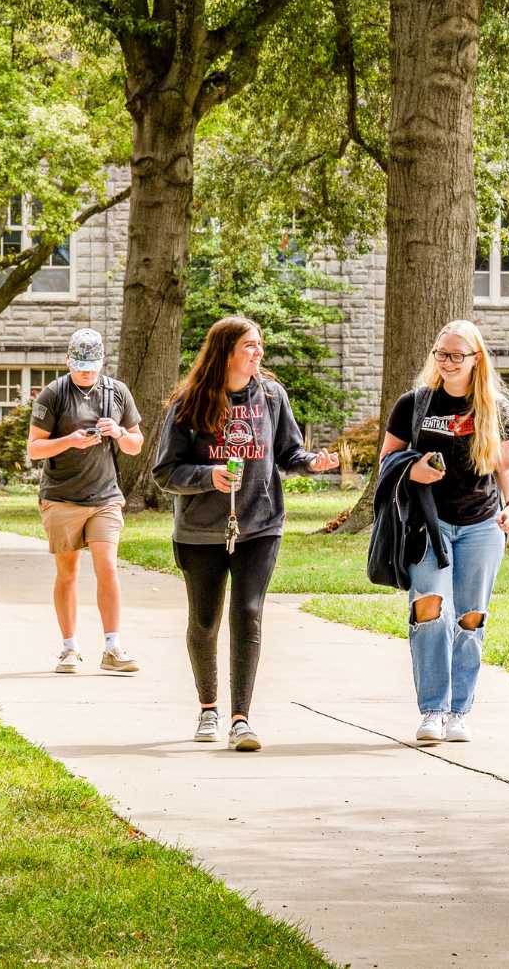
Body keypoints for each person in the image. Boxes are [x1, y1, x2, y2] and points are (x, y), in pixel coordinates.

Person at [154, 317, 339, 752]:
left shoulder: (272, 396)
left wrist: (312, 462)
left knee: (249, 613)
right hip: (201, 530)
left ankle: (241, 719)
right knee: (204, 621)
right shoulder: (189, 401)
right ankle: (208, 708)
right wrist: (209, 476)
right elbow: (166, 472)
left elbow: (288, 453)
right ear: (225, 352)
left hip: (260, 524)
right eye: (249, 346)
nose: (258, 353)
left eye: (260, 345)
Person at [379, 319, 509, 746]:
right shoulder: (414, 404)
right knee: (428, 609)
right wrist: (414, 469)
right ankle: (433, 709)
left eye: (456, 356)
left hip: (480, 524)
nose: (446, 363)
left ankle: (460, 711)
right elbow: (388, 458)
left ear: (476, 359)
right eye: (441, 354)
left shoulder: (498, 409)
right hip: (427, 524)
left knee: (470, 617)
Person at [27, 329, 143, 674]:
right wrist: (70, 441)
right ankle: (69, 648)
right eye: (80, 368)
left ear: (102, 362)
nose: (86, 373)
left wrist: (119, 433)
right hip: (62, 496)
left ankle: (112, 647)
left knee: (107, 565)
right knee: (69, 571)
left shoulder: (117, 391)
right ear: (68, 362)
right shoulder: (54, 394)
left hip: (105, 495)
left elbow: (136, 443)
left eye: (91, 368)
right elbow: (34, 448)